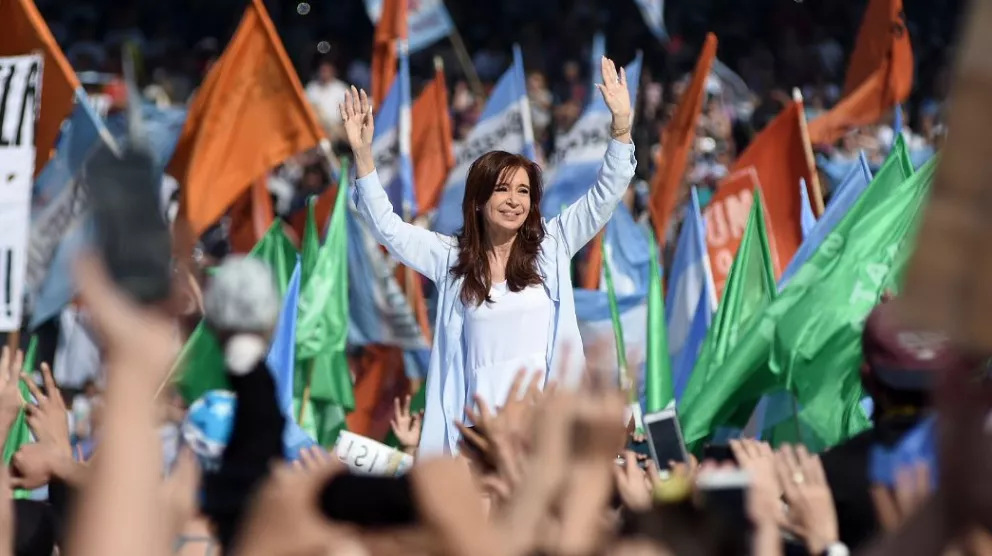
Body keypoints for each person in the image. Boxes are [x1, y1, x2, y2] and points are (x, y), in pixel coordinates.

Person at [340, 56, 636, 456]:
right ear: (479, 200)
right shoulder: (449, 258)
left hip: (544, 434)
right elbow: (386, 227)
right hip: (478, 438)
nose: (514, 201)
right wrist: (363, 156)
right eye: (502, 190)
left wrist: (620, 127)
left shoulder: (553, 245)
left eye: (523, 192)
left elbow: (607, 193)